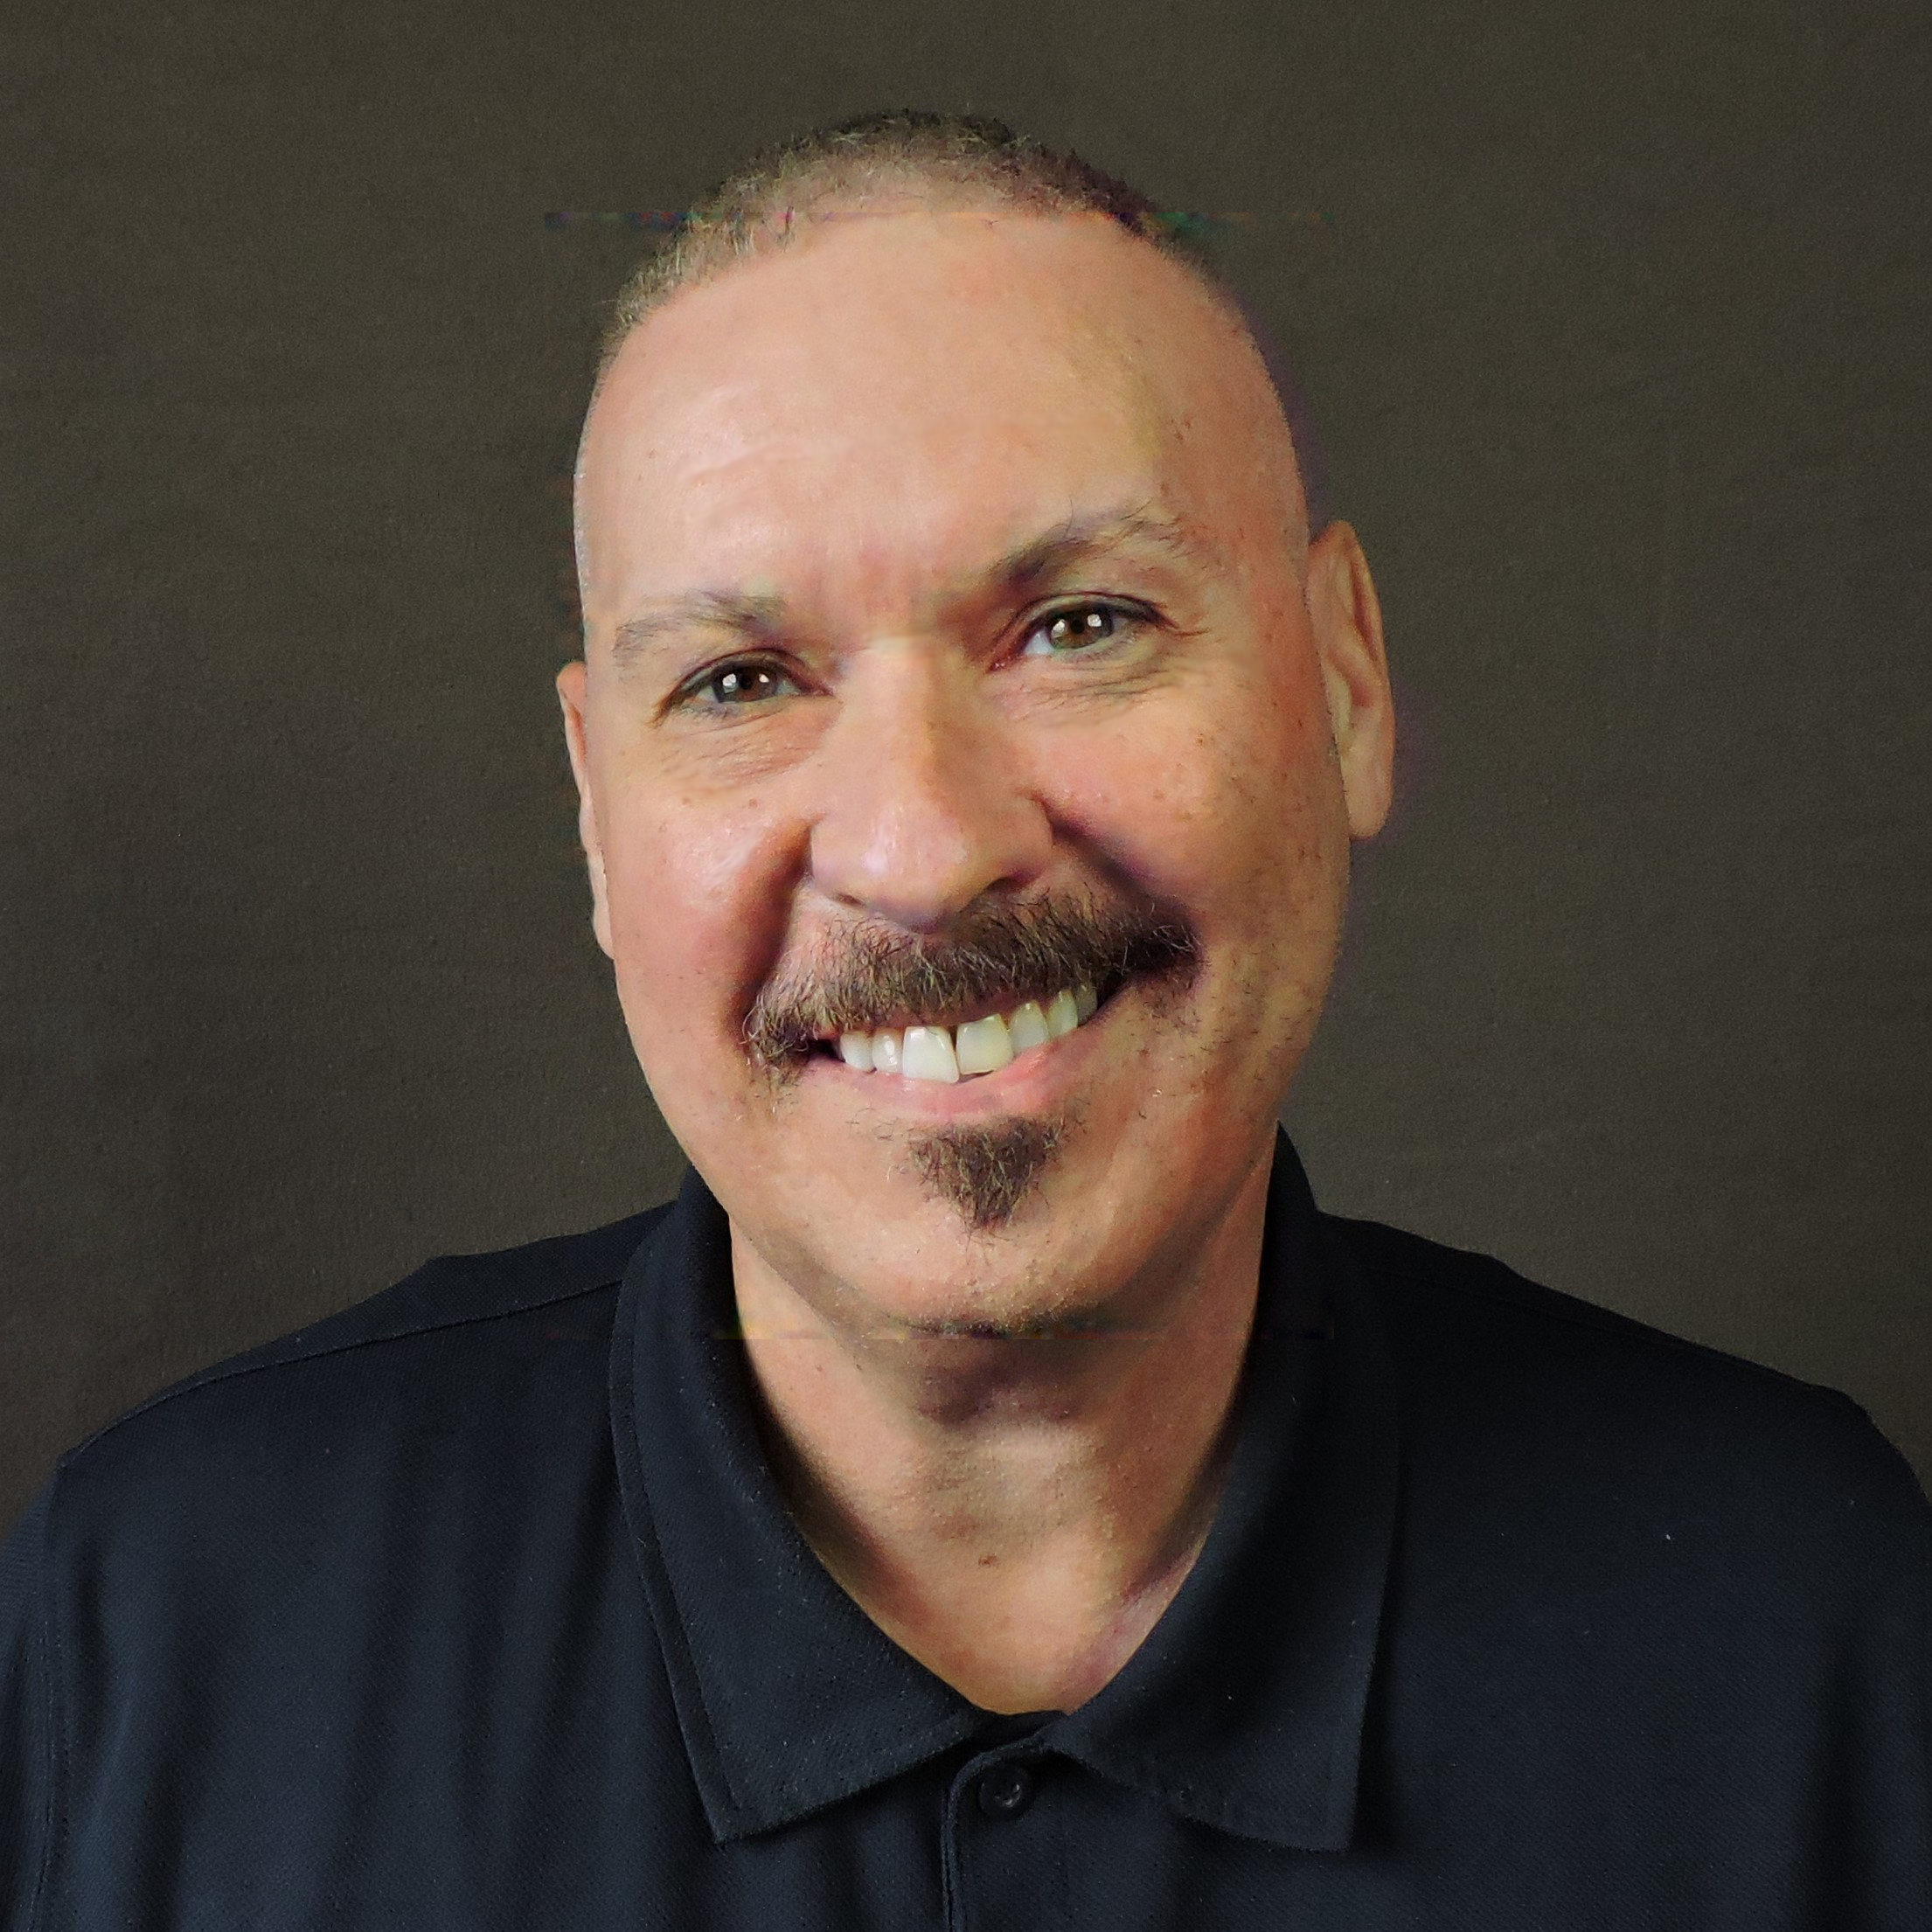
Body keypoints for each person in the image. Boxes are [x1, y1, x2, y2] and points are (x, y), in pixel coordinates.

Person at [2, 111, 1926, 1930]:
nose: (922, 850)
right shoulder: (169, 1629)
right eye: (746, 679)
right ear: (596, 815)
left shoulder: (1804, 1628)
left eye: (1081, 624)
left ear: (1345, 683)